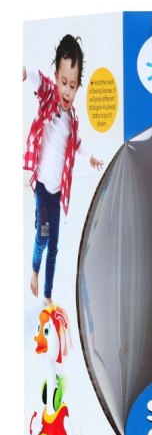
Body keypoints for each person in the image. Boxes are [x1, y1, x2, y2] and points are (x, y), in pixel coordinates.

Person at [24, 34, 103, 306]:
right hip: (42, 188)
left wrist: (90, 158)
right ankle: (34, 270)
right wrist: (22, 72)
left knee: (54, 246)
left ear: (78, 85)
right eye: (63, 83)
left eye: (72, 85)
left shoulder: (73, 119)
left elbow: (77, 144)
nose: (67, 91)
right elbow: (37, 79)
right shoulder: (49, 98)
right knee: (43, 236)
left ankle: (47, 295)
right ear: (56, 77)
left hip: (57, 193)